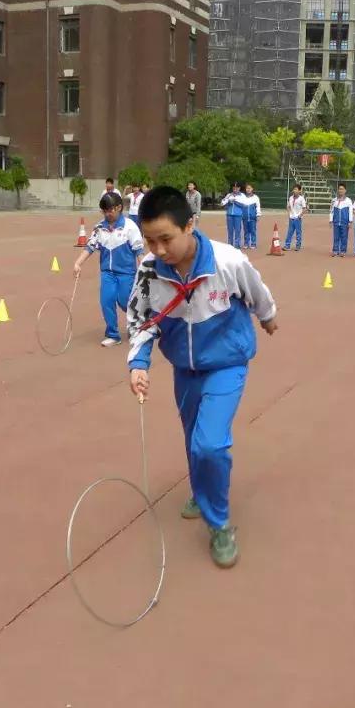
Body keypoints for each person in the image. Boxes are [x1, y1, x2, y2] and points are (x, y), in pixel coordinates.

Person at [126, 186, 277, 568]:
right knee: (193, 439)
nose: (158, 249)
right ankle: (201, 489)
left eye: (166, 239)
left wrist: (268, 315)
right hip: (184, 368)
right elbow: (142, 320)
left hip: (227, 362)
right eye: (149, 240)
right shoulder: (149, 272)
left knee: (210, 445)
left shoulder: (227, 261)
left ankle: (219, 522)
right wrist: (138, 365)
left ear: (190, 225)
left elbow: (255, 289)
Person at [73, 191, 144, 347]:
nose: (108, 214)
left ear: (119, 208)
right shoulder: (99, 228)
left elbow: (139, 251)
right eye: (104, 211)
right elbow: (90, 247)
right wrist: (78, 263)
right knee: (107, 300)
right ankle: (113, 334)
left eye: (110, 210)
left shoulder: (130, 227)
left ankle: (139, 325)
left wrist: (144, 270)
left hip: (126, 273)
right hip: (107, 273)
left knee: (126, 302)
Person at [329, 184, 352, 258]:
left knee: (344, 237)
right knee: (336, 237)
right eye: (339, 189)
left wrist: (350, 221)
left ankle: (343, 251)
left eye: (342, 189)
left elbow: (350, 211)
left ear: (345, 190)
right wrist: (330, 220)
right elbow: (331, 211)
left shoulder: (348, 200)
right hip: (336, 221)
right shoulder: (334, 200)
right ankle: (335, 250)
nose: (340, 190)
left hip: (344, 222)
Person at [285, 183, 307, 251]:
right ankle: (287, 245)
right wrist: (289, 214)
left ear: (299, 191)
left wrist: (299, 216)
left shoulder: (301, 199)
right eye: (294, 189)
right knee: (289, 232)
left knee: (298, 232)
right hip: (291, 218)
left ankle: (298, 245)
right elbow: (288, 206)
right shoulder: (291, 198)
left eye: (296, 189)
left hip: (298, 218)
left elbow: (304, 208)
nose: (294, 190)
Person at [240, 183, 261, 249]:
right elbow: (241, 207)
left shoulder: (255, 197)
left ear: (252, 189)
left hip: (252, 217)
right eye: (247, 188)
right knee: (246, 231)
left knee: (253, 231)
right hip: (245, 217)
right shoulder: (243, 197)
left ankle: (253, 243)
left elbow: (258, 207)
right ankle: (246, 243)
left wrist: (258, 215)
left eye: (249, 188)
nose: (248, 189)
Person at [223, 181, 244, 249]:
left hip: (238, 215)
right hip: (229, 214)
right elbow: (223, 203)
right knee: (230, 230)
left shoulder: (242, 195)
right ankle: (230, 244)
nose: (235, 189)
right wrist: (229, 202)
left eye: (236, 188)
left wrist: (235, 201)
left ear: (239, 188)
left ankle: (237, 244)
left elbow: (243, 205)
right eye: (234, 188)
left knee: (237, 230)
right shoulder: (229, 195)